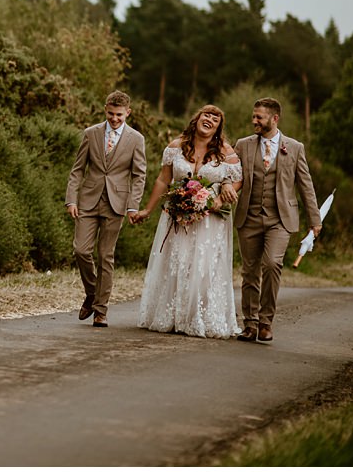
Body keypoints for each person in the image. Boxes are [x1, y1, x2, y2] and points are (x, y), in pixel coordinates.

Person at [131, 105, 241, 339]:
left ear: (219, 127)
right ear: (197, 118)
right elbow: (163, 179)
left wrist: (223, 193)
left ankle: (198, 316)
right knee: (177, 263)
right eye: (206, 115)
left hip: (210, 220)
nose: (209, 119)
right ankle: (173, 316)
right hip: (177, 216)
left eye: (215, 118)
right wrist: (147, 210)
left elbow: (238, 179)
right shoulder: (176, 146)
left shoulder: (225, 151)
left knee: (203, 268)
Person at [232, 97, 322, 342]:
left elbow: (306, 185)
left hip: (280, 219)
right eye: (254, 116)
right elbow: (231, 174)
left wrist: (315, 221)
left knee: (272, 264)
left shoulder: (294, 147)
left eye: (259, 117)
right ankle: (249, 324)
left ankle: (266, 321)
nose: (254, 121)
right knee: (249, 271)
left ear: (274, 118)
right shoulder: (243, 145)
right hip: (248, 217)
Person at [65, 90, 147, 327]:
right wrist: (71, 199)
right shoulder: (91, 133)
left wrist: (133, 206)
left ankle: (101, 309)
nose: (114, 119)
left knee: (105, 256)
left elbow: (139, 175)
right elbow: (77, 169)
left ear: (128, 112)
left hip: (117, 203)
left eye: (119, 115)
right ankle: (92, 293)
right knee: (81, 250)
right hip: (88, 200)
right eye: (111, 114)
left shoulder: (136, 139)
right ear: (105, 109)